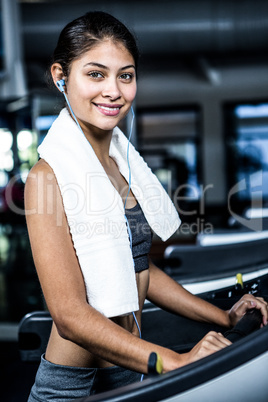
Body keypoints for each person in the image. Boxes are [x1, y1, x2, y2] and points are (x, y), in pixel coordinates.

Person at [24, 11, 268, 402]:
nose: (114, 90)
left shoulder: (122, 166)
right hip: (75, 386)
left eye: (126, 75)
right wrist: (174, 362)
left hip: (129, 364)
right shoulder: (46, 178)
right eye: (96, 74)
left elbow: (139, 271)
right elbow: (69, 316)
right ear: (60, 76)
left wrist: (224, 316)